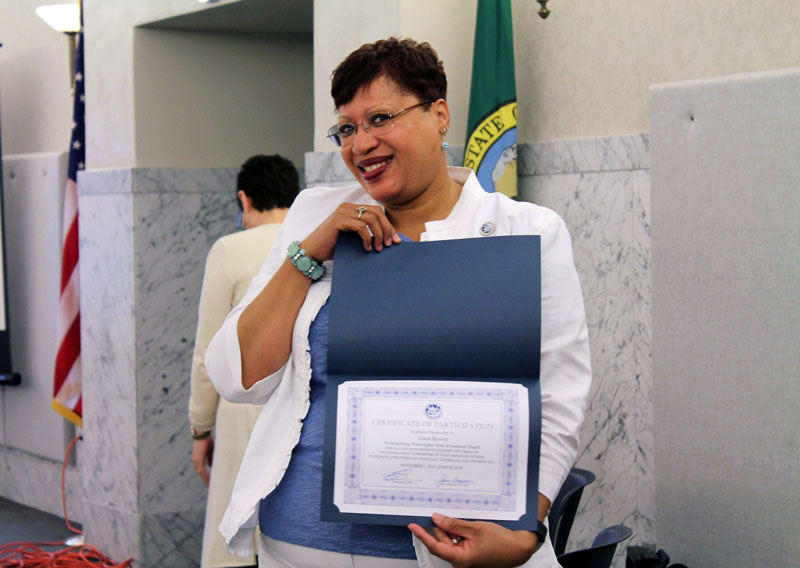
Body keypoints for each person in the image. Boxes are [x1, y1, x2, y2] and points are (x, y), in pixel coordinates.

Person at [206, 38, 591, 568]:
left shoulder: (525, 232)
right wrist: (308, 254)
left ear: (439, 115)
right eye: (347, 128)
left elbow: (560, 398)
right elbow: (240, 376)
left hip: (442, 548)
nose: (360, 143)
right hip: (293, 543)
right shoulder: (313, 214)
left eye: (380, 118)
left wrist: (526, 529)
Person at [189, 154, 300, 568]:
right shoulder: (318, 240)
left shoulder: (229, 250)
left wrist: (200, 429)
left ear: (244, 199)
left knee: (236, 541)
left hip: (243, 411)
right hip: (302, 406)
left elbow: (207, 354)